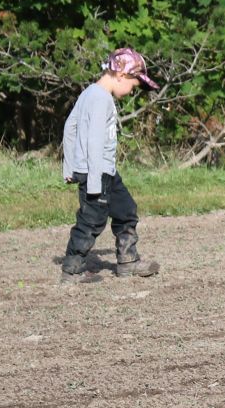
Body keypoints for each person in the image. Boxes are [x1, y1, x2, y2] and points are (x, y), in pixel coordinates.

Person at [60, 48, 161, 281]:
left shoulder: (88, 93)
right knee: (91, 221)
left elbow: (69, 127)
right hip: (97, 173)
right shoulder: (100, 98)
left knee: (126, 210)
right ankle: (73, 269)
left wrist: (69, 169)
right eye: (133, 86)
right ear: (121, 75)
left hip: (105, 171)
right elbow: (94, 140)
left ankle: (128, 261)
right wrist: (94, 181)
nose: (131, 91)